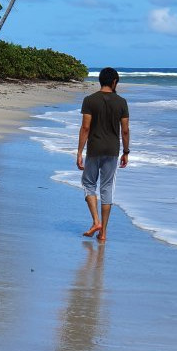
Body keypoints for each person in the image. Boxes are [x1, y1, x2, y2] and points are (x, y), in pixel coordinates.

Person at [76, 67, 130, 242]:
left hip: (94, 149)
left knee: (88, 183)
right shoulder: (122, 102)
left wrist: (79, 152)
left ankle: (96, 221)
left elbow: (85, 127)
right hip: (112, 151)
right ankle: (103, 233)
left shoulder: (90, 100)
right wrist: (126, 152)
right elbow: (125, 131)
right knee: (107, 189)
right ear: (114, 82)